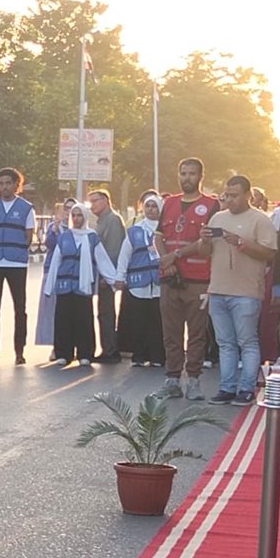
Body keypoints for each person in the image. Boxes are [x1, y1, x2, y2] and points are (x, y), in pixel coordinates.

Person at [200, 175, 277, 405]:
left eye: (234, 196)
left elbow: (270, 254)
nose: (229, 200)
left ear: (247, 195)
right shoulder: (217, 217)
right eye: (227, 195)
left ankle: (246, 389)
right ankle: (227, 388)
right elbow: (206, 253)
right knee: (225, 343)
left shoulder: (260, 220)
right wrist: (204, 240)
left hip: (246, 292)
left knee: (247, 342)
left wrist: (241, 242)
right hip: (218, 290)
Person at [154, 158, 221, 400]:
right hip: (169, 278)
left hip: (197, 279)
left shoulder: (212, 205)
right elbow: (159, 236)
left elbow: (208, 243)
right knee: (170, 332)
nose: (186, 178)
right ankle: (172, 379)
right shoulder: (169, 203)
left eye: (192, 173)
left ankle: (193, 380)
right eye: (183, 173)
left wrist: (176, 255)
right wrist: (165, 260)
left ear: (200, 176)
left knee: (196, 333)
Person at [44, 204, 121, 367]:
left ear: (85, 217)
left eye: (80, 215)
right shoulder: (64, 237)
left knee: (83, 319)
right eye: (74, 215)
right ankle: (63, 353)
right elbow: (56, 262)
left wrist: (114, 280)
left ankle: (85, 353)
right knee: (63, 319)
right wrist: (49, 286)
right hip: (64, 285)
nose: (76, 219)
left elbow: (102, 260)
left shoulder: (92, 237)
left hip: (83, 285)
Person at [0, 167, 35, 365]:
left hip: (17, 262)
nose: (5, 187)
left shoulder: (26, 208)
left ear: (16, 185)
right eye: (1, 183)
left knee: (20, 308)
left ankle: (19, 351)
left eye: (8, 183)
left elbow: (29, 236)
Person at [117, 194, 166, 367]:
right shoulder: (134, 230)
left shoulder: (166, 229)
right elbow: (125, 255)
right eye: (148, 206)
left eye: (154, 206)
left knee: (158, 321)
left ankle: (158, 356)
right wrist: (120, 277)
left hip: (160, 283)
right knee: (139, 321)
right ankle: (138, 356)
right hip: (138, 282)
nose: (151, 209)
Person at [87, 189, 126, 363]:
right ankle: (106, 348)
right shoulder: (101, 221)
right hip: (100, 274)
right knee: (102, 312)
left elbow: (114, 250)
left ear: (106, 201)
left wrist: (108, 276)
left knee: (107, 312)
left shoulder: (113, 220)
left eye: (95, 201)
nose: (92, 205)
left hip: (108, 275)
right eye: (90, 202)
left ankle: (111, 350)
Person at [35, 199, 74, 361]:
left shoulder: (82, 230)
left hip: (72, 275)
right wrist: (56, 229)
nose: (69, 213)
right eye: (67, 209)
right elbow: (49, 243)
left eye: (73, 209)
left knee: (71, 312)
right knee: (51, 310)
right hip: (53, 272)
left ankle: (71, 346)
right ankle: (55, 346)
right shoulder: (54, 227)